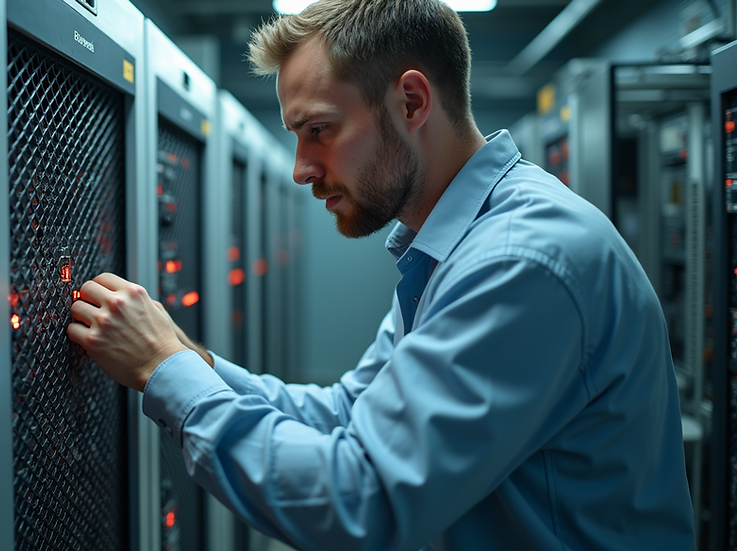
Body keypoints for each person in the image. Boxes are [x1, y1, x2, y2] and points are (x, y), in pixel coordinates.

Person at [66, 0, 696, 549]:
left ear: (411, 102)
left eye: (319, 131)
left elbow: (360, 501)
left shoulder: (519, 262)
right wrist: (183, 356)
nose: (301, 169)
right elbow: (348, 411)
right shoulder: (454, 248)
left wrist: (162, 372)